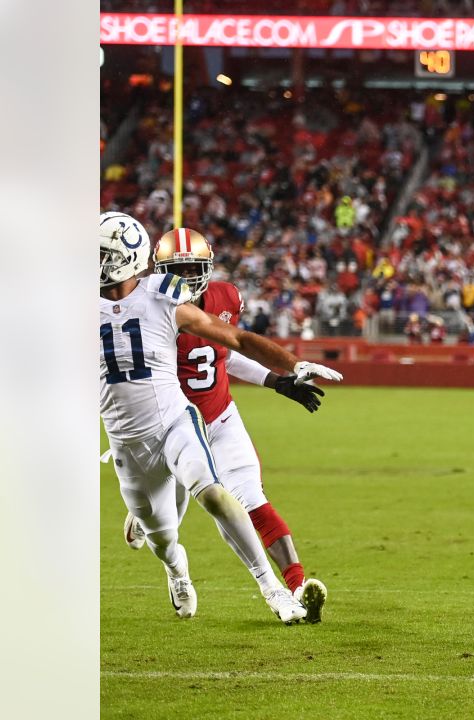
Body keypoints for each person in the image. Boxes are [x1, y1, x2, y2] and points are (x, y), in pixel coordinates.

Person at [99, 212, 341, 622]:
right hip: (135, 435)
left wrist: (282, 375)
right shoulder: (124, 302)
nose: (189, 278)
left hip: (197, 419)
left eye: (196, 268)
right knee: (164, 534)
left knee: (231, 495)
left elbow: (229, 349)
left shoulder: (191, 299)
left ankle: (288, 587)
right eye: (181, 270)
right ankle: (172, 558)